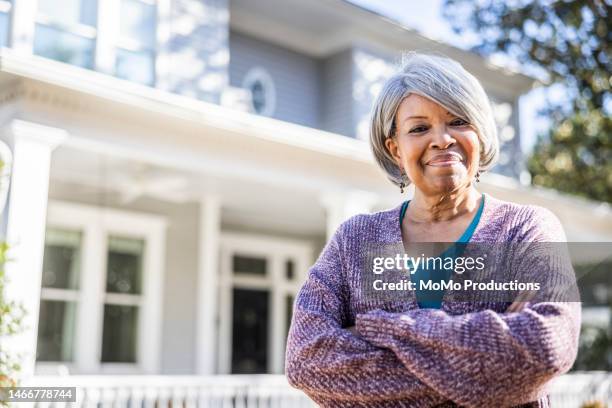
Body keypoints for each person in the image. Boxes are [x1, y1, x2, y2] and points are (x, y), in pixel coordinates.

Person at [284, 52, 581, 407]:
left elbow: (547, 347)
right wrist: (488, 365)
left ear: (480, 134)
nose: (441, 139)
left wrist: (383, 329)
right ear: (395, 149)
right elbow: (304, 360)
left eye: (457, 121)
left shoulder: (525, 229)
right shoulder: (354, 241)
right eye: (419, 128)